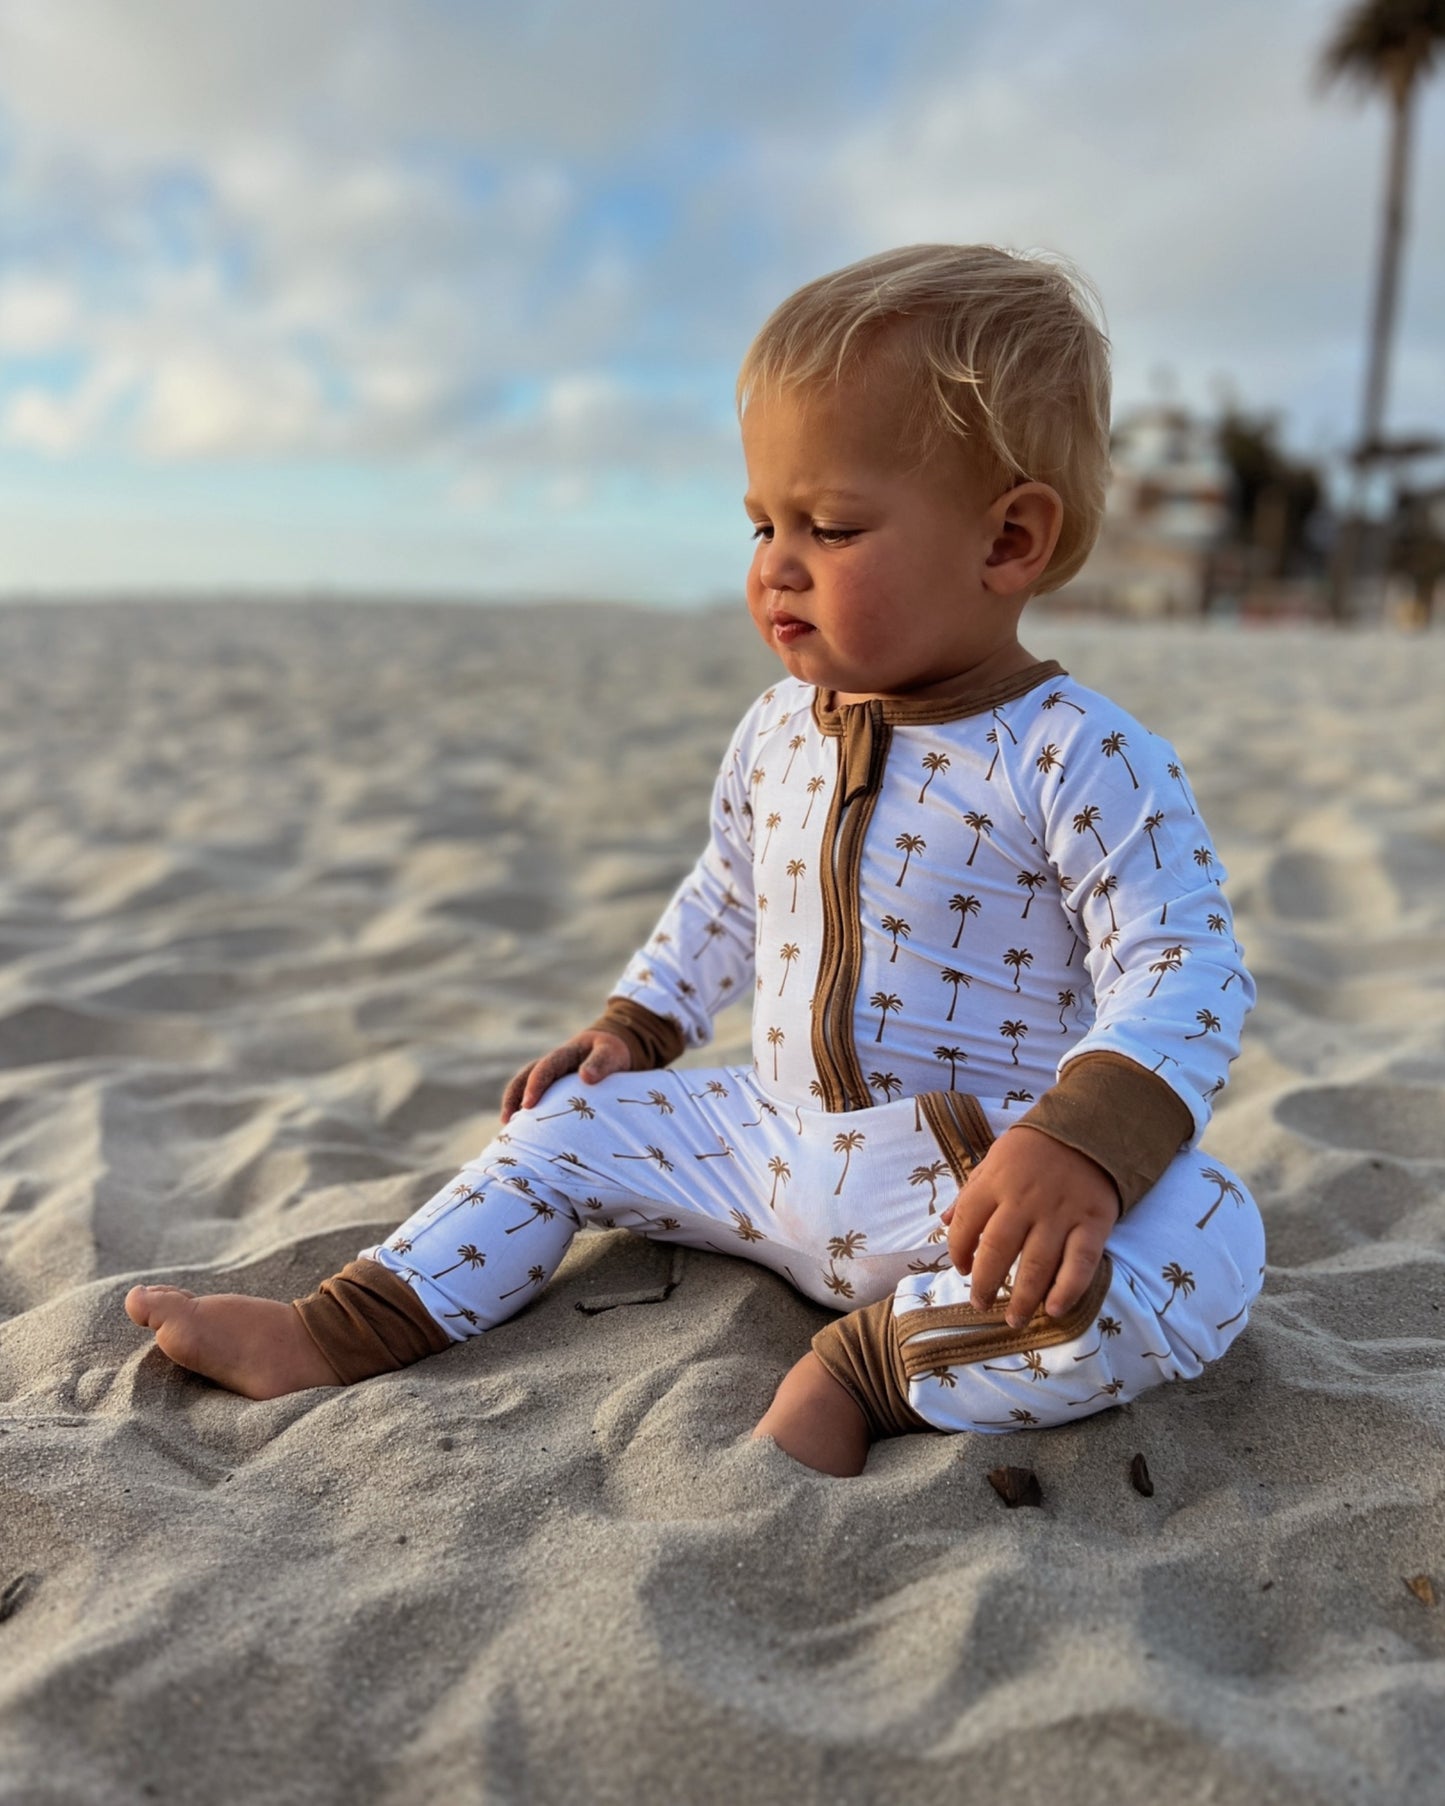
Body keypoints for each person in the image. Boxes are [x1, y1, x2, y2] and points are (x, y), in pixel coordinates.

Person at [126, 244, 1264, 1476]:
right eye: (762, 522)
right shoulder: (777, 728)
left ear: (1007, 542)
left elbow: (1183, 965)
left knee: (1209, 1236)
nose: (776, 563)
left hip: (980, 1188)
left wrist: (1080, 1143)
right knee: (562, 1127)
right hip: (768, 1147)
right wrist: (641, 1023)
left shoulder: (1077, 754)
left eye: (828, 527)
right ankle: (341, 1327)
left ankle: (872, 1369)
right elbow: (726, 894)